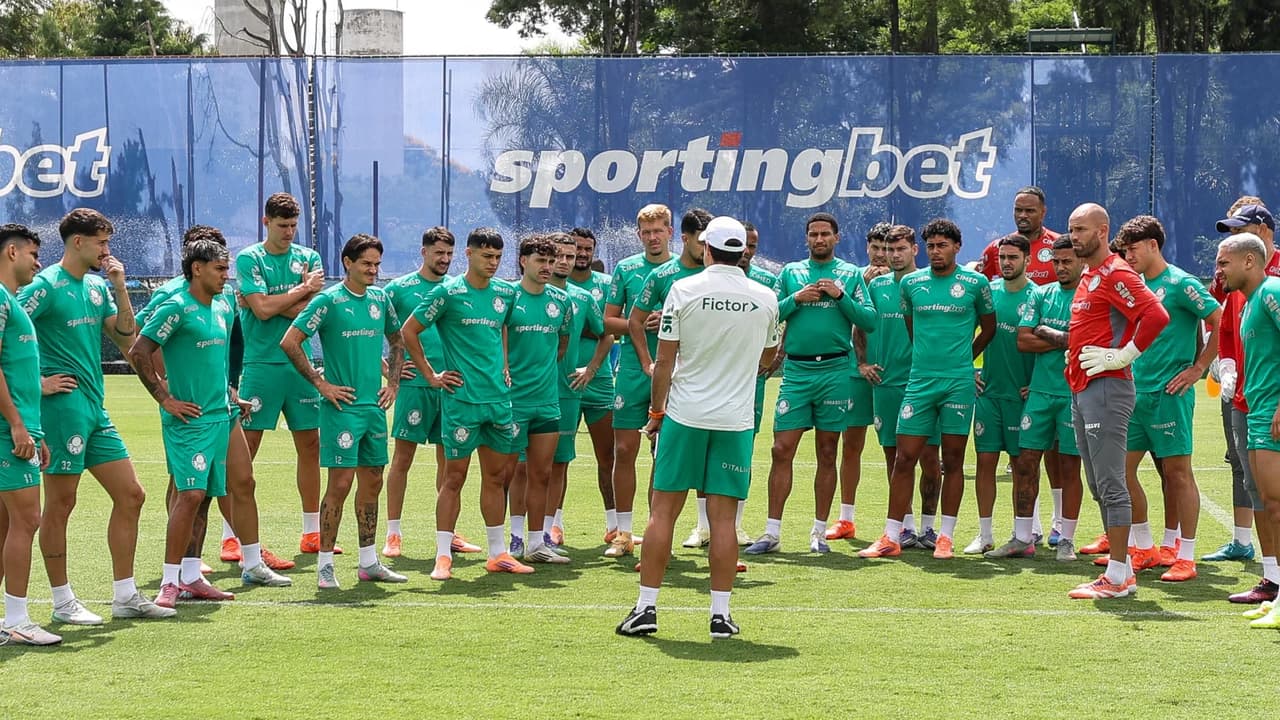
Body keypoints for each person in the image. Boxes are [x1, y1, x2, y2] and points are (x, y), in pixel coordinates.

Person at [616, 217, 779, 639]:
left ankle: (646, 608)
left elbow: (664, 361)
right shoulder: (765, 296)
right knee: (723, 522)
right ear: (743, 250)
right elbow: (769, 359)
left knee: (662, 513)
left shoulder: (683, 290)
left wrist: (655, 413)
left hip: (685, 415)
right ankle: (720, 615)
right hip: (735, 420)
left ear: (705, 248)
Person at [19, 208, 169, 624]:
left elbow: (125, 335)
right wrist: (38, 382)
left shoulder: (98, 287)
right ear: (78, 242)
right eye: (101, 243)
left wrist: (120, 287)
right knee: (62, 502)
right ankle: (63, 601)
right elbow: (8, 332)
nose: (107, 251)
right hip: (60, 410)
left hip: (95, 409)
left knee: (132, 494)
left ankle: (125, 595)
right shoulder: (45, 285)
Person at [136, 226, 294, 582]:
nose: (226, 273)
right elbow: (141, 344)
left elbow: (235, 343)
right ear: (195, 264)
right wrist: (166, 389)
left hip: (223, 408)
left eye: (226, 262)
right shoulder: (172, 298)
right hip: (189, 409)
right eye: (219, 264)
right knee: (187, 488)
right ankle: (183, 565)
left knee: (243, 481)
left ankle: (252, 563)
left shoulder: (223, 300)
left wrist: (233, 387)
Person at [860, 218, 994, 560]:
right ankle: (891, 535)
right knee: (904, 457)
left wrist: (966, 359)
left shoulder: (975, 283)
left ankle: (945, 536)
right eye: (932, 245)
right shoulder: (913, 285)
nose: (936, 251)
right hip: (919, 383)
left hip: (958, 384)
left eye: (942, 245)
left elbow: (989, 329)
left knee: (952, 459)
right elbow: (912, 328)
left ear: (956, 247)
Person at [280, 234, 407, 589]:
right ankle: (324, 564)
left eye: (377, 264)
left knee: (373, 482)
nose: (373, 270)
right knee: (339, 483)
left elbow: (398, 340)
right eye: (366, 263)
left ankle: (368, 562)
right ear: (347, 263)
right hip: (341, 409)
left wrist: (393, 383)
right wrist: (321, 384)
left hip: (373, 409)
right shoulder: (329, 301)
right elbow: (290, 341)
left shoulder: (380, 299)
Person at [402, 228, 529, 581]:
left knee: (496, 477)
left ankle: (497, 553)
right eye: (487, 256)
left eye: (498, 258)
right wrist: (431, 376)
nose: (493, 264)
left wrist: (503, 364)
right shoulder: (448, 292)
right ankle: (443, 555)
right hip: (461, 401)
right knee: (454, 478)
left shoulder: (506, 293)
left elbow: (502, 327)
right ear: (469, 254)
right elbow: (408, 331)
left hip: (498, 401)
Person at [749, 212, 877, 555]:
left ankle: (819, 533)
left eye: (825, 234)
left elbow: (869, 320)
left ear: (836, 238)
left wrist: (839, 296)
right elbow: (769, 311)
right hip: (797, 373)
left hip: (835, 371)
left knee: (827, 451)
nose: (819, 240)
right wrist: (796, 300)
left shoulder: (850, 274)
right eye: (813, 235)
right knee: (781, 449)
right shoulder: (792, 272)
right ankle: (771, 533)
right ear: (806, 239)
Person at [1063, 203, 1168, 600]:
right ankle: (1120, 570)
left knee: (1111, 482)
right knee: (1098, 481)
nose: (1075, 236)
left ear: (1103, 231)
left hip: (1106, 388)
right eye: (1072, 229)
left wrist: (1123, 355)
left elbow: (1156, 315)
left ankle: (1119, 576)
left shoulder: (1116, 272)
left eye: (1082, 229)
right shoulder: (1091, 274)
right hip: (1084, 387)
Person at [1114, 215, 1220, 582]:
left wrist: (1198, 369)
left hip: (1169, 395)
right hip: (1133, 394)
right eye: (1124, 251)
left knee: (1177, 474)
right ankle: (1145, 547)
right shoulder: (1134, 285)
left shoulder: (1179, 283)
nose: (1128, 256)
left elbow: (1219, 319)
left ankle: (1185, 556)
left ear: (1153, 245)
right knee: (1121, 471)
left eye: (1133, 249)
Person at [235, 193, 330, 554]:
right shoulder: (250, 257)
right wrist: (302, 291)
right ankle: (231, 537)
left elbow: (311, 312)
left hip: (299, 363)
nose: (289, 232)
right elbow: (259, 311)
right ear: (266, 223)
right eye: (282, 225)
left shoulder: (309, 257)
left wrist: (277, 302)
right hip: (260, 364)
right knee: (246, 450)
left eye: (293, 225)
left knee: (310, 445)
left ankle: (311, 533)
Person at [382, 227, 482, 557]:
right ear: (423, 252)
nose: (444, 259)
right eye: (438, 253)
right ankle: (393, 533)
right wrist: (390, 370)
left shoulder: (458, 290)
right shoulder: (399, 289)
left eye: (449, 254)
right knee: (402, 459)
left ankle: (448, 532)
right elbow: (379, 333)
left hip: (451, 386)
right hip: (415, 386)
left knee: (450, 461)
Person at [987, 238, 1085, 562]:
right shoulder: (1043, 294)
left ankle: (1067, 539)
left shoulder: (1090, 295)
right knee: (1025, 463)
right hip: (1040, 392)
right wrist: (1066, 340)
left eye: (1067, 261)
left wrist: (1050, 333)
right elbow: (1024, 341)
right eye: (1056, 261)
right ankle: (1022, 537)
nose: (1061, 267)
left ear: (1081, 260)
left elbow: (1087, 344)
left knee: (1070, 467)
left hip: (1073, 393)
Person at [1211, 202, 1280, 606]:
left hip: (1270, 414)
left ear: (1250, 260)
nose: (1218, 270)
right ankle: (1273, 588)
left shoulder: (1270, 291)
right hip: (1255, 411)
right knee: (1268, 503)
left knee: (1276, 504)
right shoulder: (1249, 300)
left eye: (1224, 262)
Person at [630, 209, 710, 552]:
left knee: (710, 465)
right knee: (662, 462)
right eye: (703, 243)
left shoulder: (719, 275)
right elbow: (634, 322)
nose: (709, 249)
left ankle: (708, 532)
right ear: (687, 239)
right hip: (672, 384)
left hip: (707, 383)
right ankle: (655, 541)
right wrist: (649, 364)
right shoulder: (664, 276)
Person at [862, 225, 944, 550]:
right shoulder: (876, 286)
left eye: (900, 249)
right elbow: (861, 325)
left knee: (929, 457)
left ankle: (928, 527)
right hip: (886, 384)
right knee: (893, 456)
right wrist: (862, 363)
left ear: (914, 250)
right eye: (889, 250)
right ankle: (905, 526)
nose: (894, 255)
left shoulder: (928, 284)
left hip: (924, 383)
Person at [0, 224, 61, 645]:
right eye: (33, 254)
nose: (38, 263)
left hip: (20, 428)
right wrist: (18, 425)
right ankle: (17, 619)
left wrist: (33, 429)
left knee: (7, 522)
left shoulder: (12, 302)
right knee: (27, 519)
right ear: (11, 254)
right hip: (8, 431)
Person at [603, 204, 674, 558]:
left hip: (674, 371)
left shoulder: (684, 271)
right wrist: (639, 323)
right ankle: (623, 532)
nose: (652, 237)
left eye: (658, 230)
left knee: (664, 454)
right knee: (624, 450)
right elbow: (608, 320)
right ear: (638, 234)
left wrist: (670, 322)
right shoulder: (626, 268)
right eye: (646, 232)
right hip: (632, 370)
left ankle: (655, 530)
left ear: (671, 232)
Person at [505, 235, 573, 564]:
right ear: (523, 261)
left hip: (547, 400)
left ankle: (537, 542)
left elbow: (561, 344)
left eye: (551, 261)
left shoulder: (561, 302)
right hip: (513, 401)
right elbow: (497, 341)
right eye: (540, 261)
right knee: (513, 472)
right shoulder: (506, 298)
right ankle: (515, 538)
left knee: (542, 472)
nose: (547, 267)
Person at [967, 235, 1035, 555]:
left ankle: (1023, 533)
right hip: (988, 395)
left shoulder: (1039, 295)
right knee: (985, 463)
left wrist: (1036, 382)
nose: (1007, 262)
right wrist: (968, 371)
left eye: (1013, 257)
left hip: (1023, 397)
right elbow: (963, 335)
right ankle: (984, 534)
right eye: (1003, 257)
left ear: (1027, 260)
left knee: (1023, 467)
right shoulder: (988, 293)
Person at [829, 223, 892, 543]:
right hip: (857, 373)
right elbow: (852, 322)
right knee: (850, 446)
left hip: (893, 374)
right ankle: (846, 519)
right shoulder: (855, 277)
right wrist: (862, 362)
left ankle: (900, 524)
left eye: (888, 248)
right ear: (867, 248)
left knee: (896, 451)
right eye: (876, 248)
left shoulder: (906, 280)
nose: (882, 255)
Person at [550, 233, 613, 548]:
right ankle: (547, 527)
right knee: (541, 461)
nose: (570, 259)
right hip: (548, 386)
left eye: (578, 253)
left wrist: (592, 369)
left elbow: (608, 330)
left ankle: (615, 525)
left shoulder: (598, 288)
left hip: (593, 382)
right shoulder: (534, 291)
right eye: (560, 255)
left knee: (607, 455)